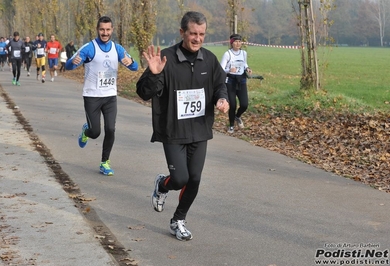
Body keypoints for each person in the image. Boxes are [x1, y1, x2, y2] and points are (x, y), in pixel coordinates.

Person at [136, 11, 229, 241]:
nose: (197, 38)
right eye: (193, 33)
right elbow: (143, 93)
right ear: (182, 33)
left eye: (202, 34)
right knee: (179, 180)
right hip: (173, 130)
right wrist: (154, 75)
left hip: (199, 129)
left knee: (194, 178)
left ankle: (178, 220)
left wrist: (222, 98)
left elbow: (220, 84)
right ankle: (163, 184)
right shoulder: (166, 59)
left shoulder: (209, 59)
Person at [65, 16, 138, 176]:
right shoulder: (89, 48)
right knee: (95, 132)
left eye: (108, 30)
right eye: (102, 30)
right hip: (92, 96)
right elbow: (69, 65)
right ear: (97, 30)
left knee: (111, 129)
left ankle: (105, 162)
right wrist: (73, 62)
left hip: (110, 96)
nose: (105, 33)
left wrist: (130, 61)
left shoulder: (117, 49)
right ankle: (86, 131)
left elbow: (134, 67)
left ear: (112, 30)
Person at [220, 33, 252, 134]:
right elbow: (221, 69)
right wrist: (229, 70)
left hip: (241, 81)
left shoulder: (243, 53)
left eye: (239, 41)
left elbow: (244, 63)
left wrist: (247, 68)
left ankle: (237, 117)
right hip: (230, 82)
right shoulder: (227, 54)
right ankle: (231, 125)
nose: (238, 44)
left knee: (244, 104)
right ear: (231, 43)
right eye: (236, 42)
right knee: (233, 105)